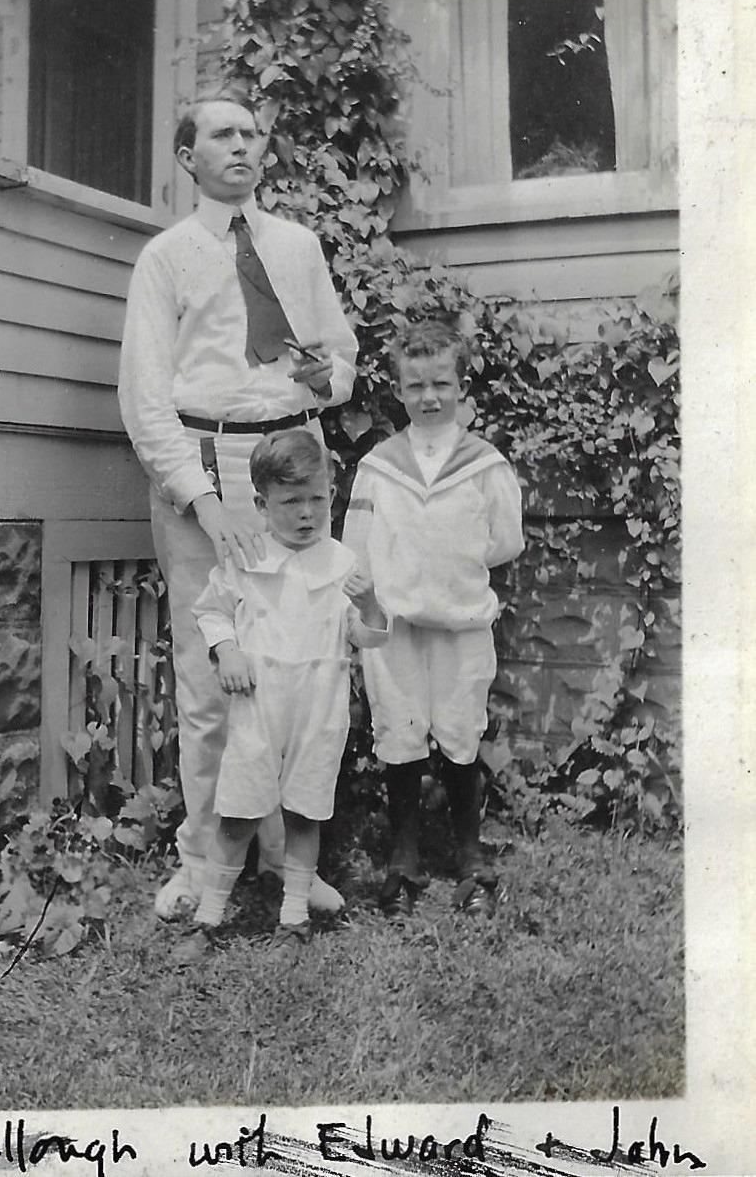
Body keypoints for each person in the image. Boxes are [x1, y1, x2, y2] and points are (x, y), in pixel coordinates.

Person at [117, 86, 358, 918]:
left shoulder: (296, 246)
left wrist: (330, 376)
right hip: (204, 456)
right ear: (188, 158)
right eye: (222, 135)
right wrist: (200, 498)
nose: (242, 146)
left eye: (252, 133)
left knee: (304, 662)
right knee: (211, 669)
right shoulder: (168, 258)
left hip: (292, 451)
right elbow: (146, 397)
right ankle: (201, 861)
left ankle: (288, 861)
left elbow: (337, 353)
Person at [175, 430, 387, 965]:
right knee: (238, 813)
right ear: (263, 504)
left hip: (318, 704)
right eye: (291, 502)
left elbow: (365, 636)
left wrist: (373, 607)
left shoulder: (342, 563)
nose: (307, 513)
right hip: (259, 703)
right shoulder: (247, 559)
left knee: (304, 811)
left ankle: (293, 920)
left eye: (318, 499)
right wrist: (228, 653)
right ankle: (208, 920)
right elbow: (212, 611)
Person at [341, 320, 524, 918]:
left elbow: (503, 542)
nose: (429, 397)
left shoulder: (485, 465)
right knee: (399, 730)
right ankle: (404, 855)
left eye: (441, 383)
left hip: (462, 622)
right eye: (415, 385)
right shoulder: (379, 466)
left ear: (461, 386)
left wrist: (449, 569)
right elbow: (358, 543)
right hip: (395, 626)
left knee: (461, 730)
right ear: (398, 388)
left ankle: (470, 852)